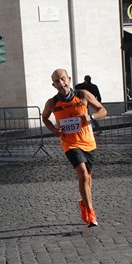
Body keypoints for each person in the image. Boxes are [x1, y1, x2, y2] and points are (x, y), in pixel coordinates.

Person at [42, 68, 107, 227]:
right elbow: (45, 118)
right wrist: (54, 130)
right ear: (53, 85)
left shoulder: (82, 95)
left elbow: (103, 110)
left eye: (63, 79)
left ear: (69, 79)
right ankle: (91, 213)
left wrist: (90, 116)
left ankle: (84, 203)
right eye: (57, 81)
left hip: (88, 142)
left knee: (88, 178)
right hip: (69, 143)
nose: (61, 83)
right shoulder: (52, 103)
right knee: (83, 175)